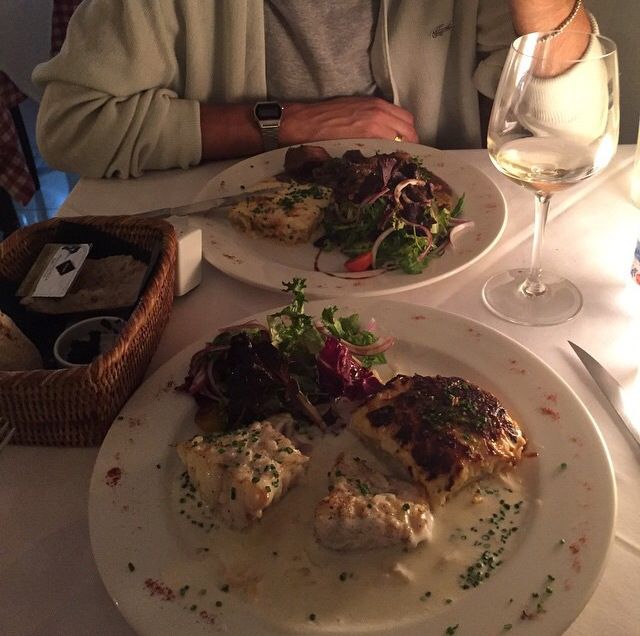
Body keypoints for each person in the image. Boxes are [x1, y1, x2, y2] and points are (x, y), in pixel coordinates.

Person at [32, 0, 595, 179]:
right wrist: (286, 123)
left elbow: (572, 137)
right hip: (229, 247)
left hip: (433, 246)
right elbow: (73, 125)